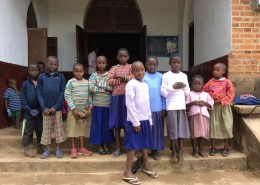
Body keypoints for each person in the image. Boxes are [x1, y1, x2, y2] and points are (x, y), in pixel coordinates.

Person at [123, 61, 158, 185]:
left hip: (145, 120)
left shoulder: (145, 84)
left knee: (144, 144)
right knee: (133, 146)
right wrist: (135, 122)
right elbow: (130, 104)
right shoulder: (131, 84)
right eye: (137, 70)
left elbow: (147, 103)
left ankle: (146, 166)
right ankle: (127, 171)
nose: (140, 72)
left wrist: (150, 120)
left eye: (142, 69)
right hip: (135, 121)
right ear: (132, 72)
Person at [160, 55, 190, 164]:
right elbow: (163, 92)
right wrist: (173, 87)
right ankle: (173, 152)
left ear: (181, 63)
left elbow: (187, 92)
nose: (176, 64)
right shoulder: (166, 76)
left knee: (181, 130)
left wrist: (184, 86)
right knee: (172, 130)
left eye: (178, 62)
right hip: (171, 106)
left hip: (181, 106)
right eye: (174, 62)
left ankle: (180, 152)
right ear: (170, 63)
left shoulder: (184, 75)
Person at [202, 63, 235, 157]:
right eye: (214, 70)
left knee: (226, 125)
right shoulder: (210, 82)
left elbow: (231, 95)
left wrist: (220, 101)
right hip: (213, 108)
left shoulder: (227, 82)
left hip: (224, 107)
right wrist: (211, 98)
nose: (215, 72)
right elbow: (204, 90)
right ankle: (213, 147)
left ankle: (225, 147)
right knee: (213, 126)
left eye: (218, 70)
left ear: (223, 71)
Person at [37, 56, 66, 159]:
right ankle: (47, 149)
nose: (53, 66)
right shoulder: (42, 77)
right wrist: (43, 107)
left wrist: (56, 107)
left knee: (59, 130)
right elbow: (39, 93)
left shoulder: (61, 77)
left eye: (55, 64)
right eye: (51, 64)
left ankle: (58, 149)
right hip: (45, 110)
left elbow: (62, 92)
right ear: (46, 64)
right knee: (46, 130)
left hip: (57, 109)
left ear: (58, 65)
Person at [107, 48, 133, 157]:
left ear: (128, 57)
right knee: (117, 124)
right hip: (116, 98)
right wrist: (123, 79)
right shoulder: (114, 68)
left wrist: (120, 77)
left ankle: (127, 147)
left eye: (125, 56)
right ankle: (118, 147)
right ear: (117, 57)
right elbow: (109, 81)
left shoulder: (131, 67)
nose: (123, 58)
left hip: (128, 98)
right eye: (120, 56)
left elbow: (133, 77)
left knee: (127, 124)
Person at [64, 63, 93, 159]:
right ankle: (73, 148)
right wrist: (73, 109)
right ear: (73, 72)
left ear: (84, 72)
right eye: (76, 71)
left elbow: (90, 96)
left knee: (81, 130)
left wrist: (89, 108)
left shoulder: (87, 82)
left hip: (83, 111)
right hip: (73, 112)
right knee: (72, 130)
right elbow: (67, 95)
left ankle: (81, 147)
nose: (78, 73)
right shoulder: (70, 82)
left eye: (80, 71)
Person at [89, 56, 115, 155]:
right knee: (98, 125)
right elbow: (91, 88)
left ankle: (106, 145)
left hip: (108, 105)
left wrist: (99, 84)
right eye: (99, 63)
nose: (101, 64)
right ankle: (99, 145)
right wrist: (105, 88)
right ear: (96, 64)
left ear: (106, 63)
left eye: (103, 62)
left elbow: (112, 88)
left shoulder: (110, 75)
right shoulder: (93, 75)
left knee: (107, 126)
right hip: (97, 104)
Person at [143, 56, 166, 160]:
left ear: (157, 65)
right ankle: (144, 150)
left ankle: (155, 150)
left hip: (157, 108)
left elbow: (164, 94)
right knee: (146, 130)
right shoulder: (142, 76)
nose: (152, 66)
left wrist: (164, 107)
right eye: (149, 64)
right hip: (145, 109)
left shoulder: (161, 76)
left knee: (157, 131)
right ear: (146, 64)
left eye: (154, 64)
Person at [186, 75, 214, 158]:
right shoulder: (189, 94)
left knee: (203, 134)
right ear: (191, 84)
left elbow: (211, 103)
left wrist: (205, 103)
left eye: (199, 84)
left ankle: (201, 150)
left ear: (203, 84)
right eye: (195, 84)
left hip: (204, 116)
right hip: (194, 116)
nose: (197, 85)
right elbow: (186, 104)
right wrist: (193, 103)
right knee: (194, 134)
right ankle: (195, 151)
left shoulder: (206, 94)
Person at [21, 63, 43, 157]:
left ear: (39, 71)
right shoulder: (25, 84)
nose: (34, 72)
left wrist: (41, 110)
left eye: (36, 70)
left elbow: (44, 97)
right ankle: (26, 149)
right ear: (28, 71)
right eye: (32, 70)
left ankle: (39, 147)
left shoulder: (42, 83)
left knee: (40, 130)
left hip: (40, 112)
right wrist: (29, 110)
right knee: (28, 131)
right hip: (28, 113)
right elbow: (23, 99)